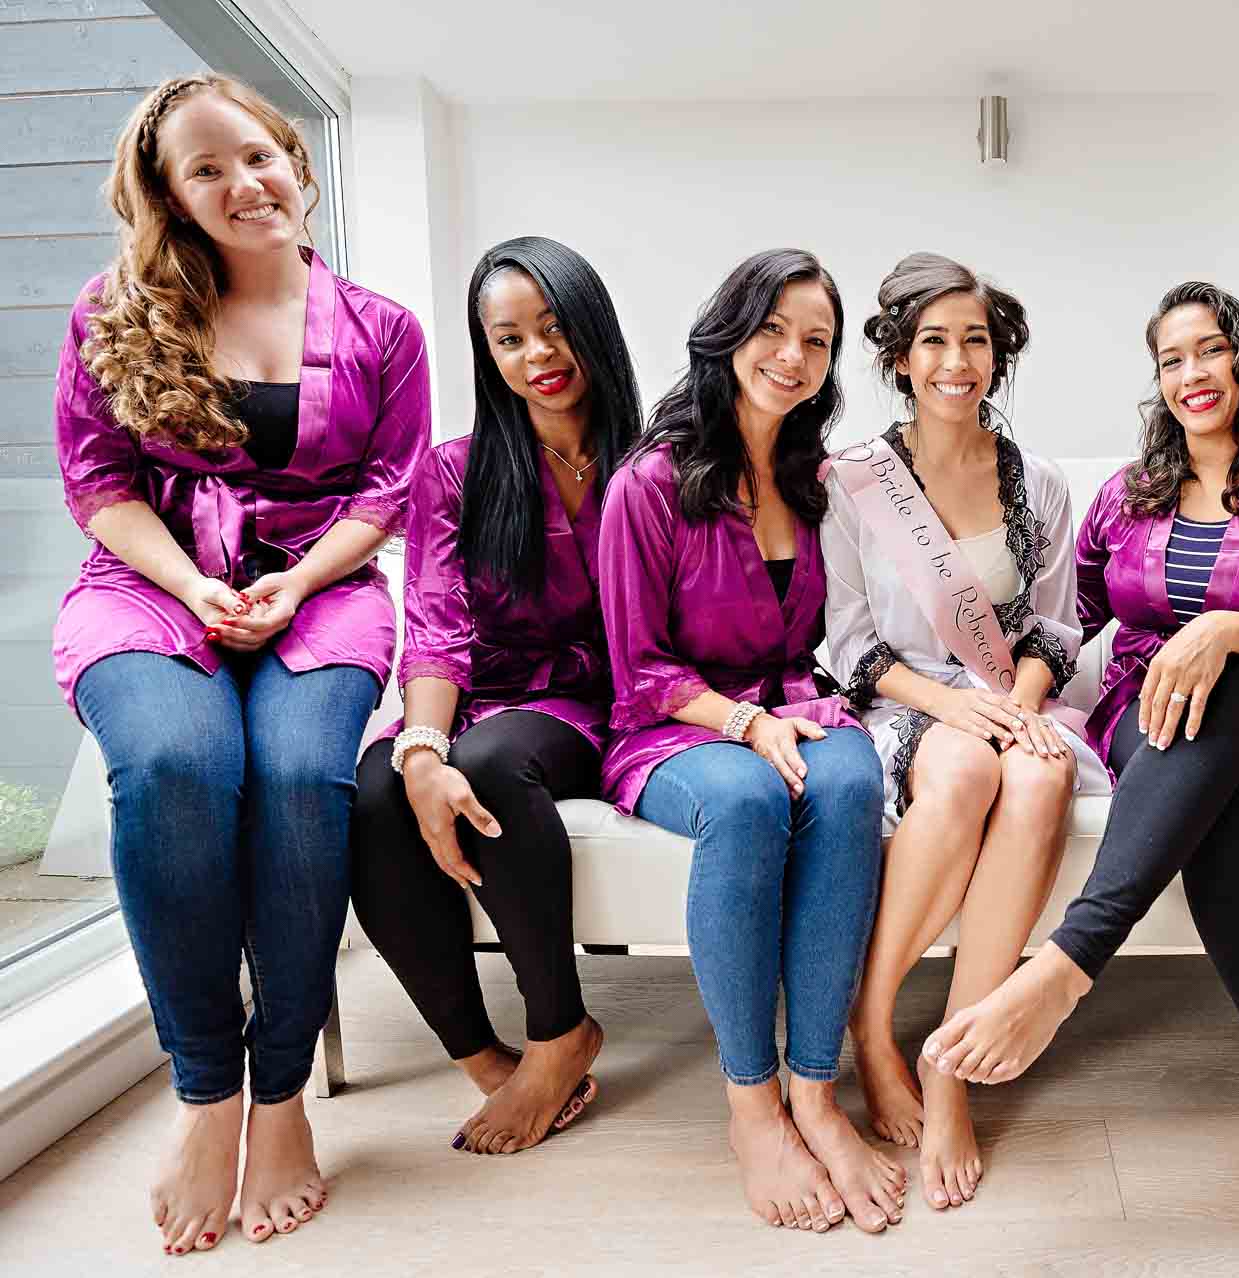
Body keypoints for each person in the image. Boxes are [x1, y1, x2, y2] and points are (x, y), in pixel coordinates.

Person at [51, 75, 427, 1254]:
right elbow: (98, 484)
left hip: (321, 598)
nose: (243, 183)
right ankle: (209, 1096)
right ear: (169, 196)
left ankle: (284, 1099)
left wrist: (300, 582)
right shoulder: (112, 313)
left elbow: (392, 490)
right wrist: (193, 583)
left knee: (302, 790)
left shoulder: (382, 328)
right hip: (153, 587)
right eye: (206, 169)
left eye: (256, 155)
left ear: (296, 163)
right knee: (173, 768)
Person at [925, 282, 1239, 1261]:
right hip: (1159, 730)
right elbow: (1076, 614)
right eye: (1172, 359)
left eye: (1208, 350)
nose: (1191, 374)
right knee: (1229, 829)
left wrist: (1219, 630)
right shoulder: (1127, 496)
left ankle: (1069, 961)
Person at [598, 249, 906, 1233]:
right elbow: (637, 668)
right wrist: (743, 724)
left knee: (853, 785)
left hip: (795, 706)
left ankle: (815, 1088)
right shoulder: (647, 485)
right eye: (773, 329)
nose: (793, 354)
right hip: (674, 724)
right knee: (746, 799)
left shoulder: (823, 481)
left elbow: (856, 619)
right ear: (727, 334)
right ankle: (750, 1101)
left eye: (816, 339)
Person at [821, 253, 1108, 1211]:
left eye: (975, 340)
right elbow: (849, 641)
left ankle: (950, 1058)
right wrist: (958, 708)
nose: (957, 360)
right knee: (967, 772)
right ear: (899, 357)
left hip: (1010, 692)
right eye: (934, 340)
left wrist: (1019, 705)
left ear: (999, 353)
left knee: (1035, 775)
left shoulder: (1042, 484)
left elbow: (1056, 627)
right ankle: (870, 1021)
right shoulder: (852, 481)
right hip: (908, 697)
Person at [350, 237, 643, 1155]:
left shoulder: (658, 459)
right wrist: (420, 750)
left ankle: (561, 1032)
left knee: (490, 761)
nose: (538, 358)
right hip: (482, 698)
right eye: (509, 339)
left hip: (609, 704)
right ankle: (482, 1056)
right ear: (489, 354)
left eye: (554, 330)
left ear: (592, 329)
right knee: (371, 793)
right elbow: (436, 623)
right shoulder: (453, 470)